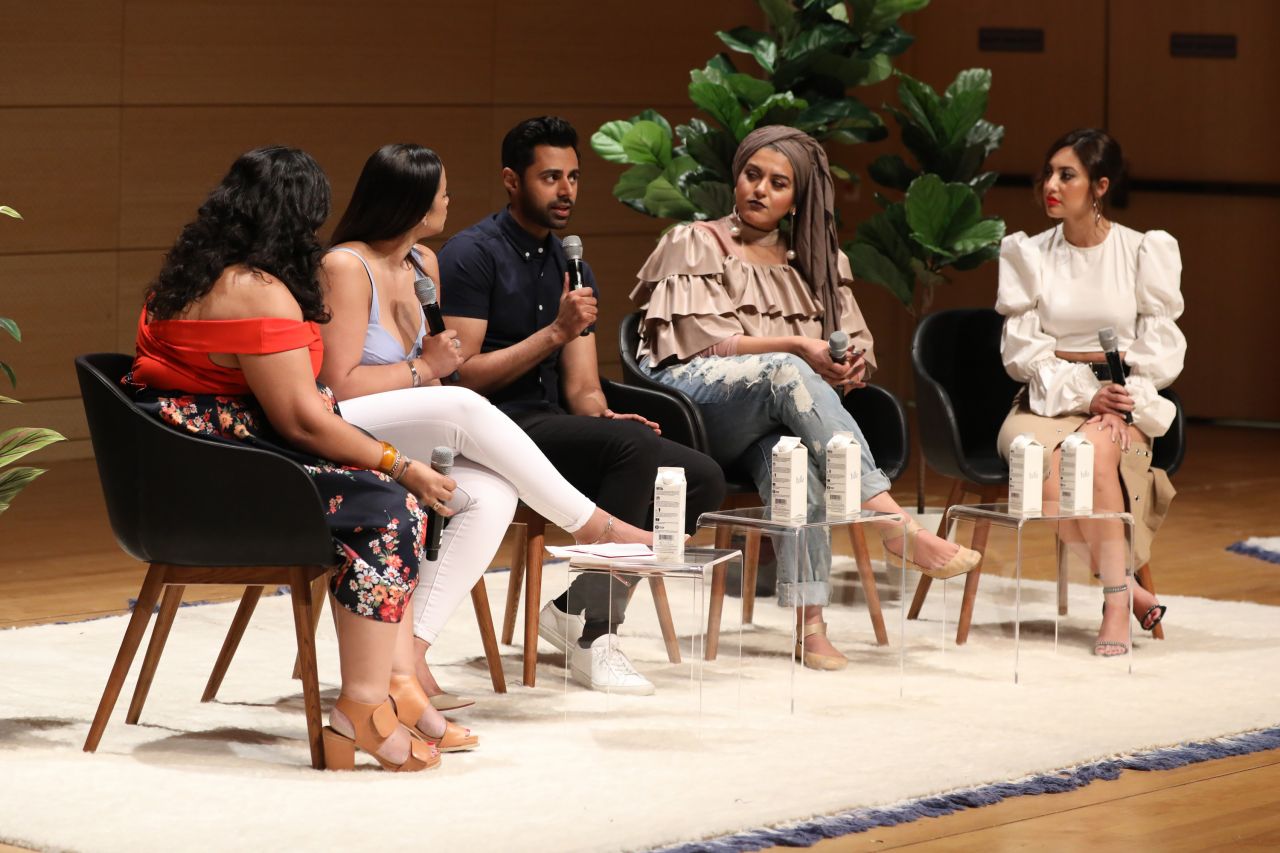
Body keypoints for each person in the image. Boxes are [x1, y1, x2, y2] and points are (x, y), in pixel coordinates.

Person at [128, 145, 452, 772]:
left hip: (189, 468)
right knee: (391, 507)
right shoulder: (258, 291)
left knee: (381, 494)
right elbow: (301, 419)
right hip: (226, 481)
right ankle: (363, 703)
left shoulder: (184, 278)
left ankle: (390, 689)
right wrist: (398, 462)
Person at [631, 126, 981, 671]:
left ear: (798, 197)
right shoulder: (696, 240)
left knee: (792, 461)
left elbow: (851, 340)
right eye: (752, 175)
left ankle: (809, 626)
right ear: (736, 175)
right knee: (787, 369)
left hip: (770, 413)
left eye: (777, 183)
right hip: (699, 406)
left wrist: (849, 363)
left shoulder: (814, 260)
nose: (759, 190)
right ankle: (891, 521)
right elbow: (709, 342)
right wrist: (798, 345)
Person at [318, 143, 652, 707]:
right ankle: (590, 525)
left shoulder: (424, 263)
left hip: (408, 416)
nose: (450, 200)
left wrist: (429, 369)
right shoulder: (344, 266)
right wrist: (427, 367)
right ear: (413, 201)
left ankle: (411, 661)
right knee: (465, 406)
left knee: (490, 493)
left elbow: (432, 373)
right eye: (442, 191)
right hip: (346, 421)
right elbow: (340, 383)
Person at [439, 117, 727, 694]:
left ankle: (574, 609)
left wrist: (604, 415)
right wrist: (554, 331)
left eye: (573, 177)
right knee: (634, 451)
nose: (566, 190)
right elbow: (461, 378)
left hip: (553, 424)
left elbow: (583, 389)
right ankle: (596, 634)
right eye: (550, 177)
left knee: (700, 477)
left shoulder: (573, 265)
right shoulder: (472, 255)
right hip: (492, 426)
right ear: (511, 181)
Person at [996, 128, 1184, 656]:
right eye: (1048, 174)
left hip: (1119, 397)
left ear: (1099, 186)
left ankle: (1114, 603)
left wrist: (1122, 401)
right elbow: (1022, 353)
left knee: (1093, 458)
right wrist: (1082, 394)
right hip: (1047, 396)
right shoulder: (1029, 254)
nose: (1050, 185)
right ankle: (1129, 589)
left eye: (1067, 175)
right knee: (1040, 474)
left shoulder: (1143, 250)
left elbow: (1160, 343)